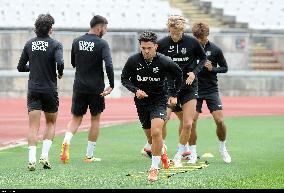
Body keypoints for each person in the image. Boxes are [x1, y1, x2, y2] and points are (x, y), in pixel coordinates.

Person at [121, 31, 182, 182]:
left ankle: (154, 169)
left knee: (156, 131)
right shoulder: (133, 61)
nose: (146, 51)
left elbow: (179, 74)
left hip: (159, 101)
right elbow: (124, 79)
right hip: (141, 103)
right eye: (143, 48)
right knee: (151, 137)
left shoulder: (164, 61)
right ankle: (162, 151)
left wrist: (173, 94)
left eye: (149, 48)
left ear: (156, 46)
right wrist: (136, 90)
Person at [60, 15, 114, 164]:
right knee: (95, 119)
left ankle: (66, 141)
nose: (106, 31)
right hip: (96, 88)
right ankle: (89, 156)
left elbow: (73, 63)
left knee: (76, 118)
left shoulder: (76, 41)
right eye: (105, 28)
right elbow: (109, 65)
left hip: (79, 86)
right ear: (99, 27)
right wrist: (112, 84)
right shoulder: (102, 44)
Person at [154, 15, 207, 167]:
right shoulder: (162, 43)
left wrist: (194, 72)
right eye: (172, 33)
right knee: (162, 121)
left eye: (178, 33)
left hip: (189, 87)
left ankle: (178, 154)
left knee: (188, 124)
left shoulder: (192, 42)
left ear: (182, 30)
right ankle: (161, 150)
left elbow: (203, 59)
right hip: (169, 89)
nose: (175, 36)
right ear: (169, 30)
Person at [17, 14, 64, 171]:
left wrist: (34, 67)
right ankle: (44, 155)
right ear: (50, 29)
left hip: (34, 90)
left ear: (36, 28)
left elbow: (20, 67)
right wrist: (60, 72)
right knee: (50, 123)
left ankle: (31, 159)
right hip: (49, 90)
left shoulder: (29, 44)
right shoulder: (56, 44)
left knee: (33, 127)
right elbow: (61, 62)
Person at [189, 22, 231, 163]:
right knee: (191, 121)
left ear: (207, 35)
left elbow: (225, 68)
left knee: (219, 120)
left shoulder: (215, 50)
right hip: (194, 89)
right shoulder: (190, 48)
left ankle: (222, 147)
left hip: (211, 89)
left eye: (200, 37)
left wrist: (212, 68)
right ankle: (193, 153)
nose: (198, 40)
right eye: (196, 37)